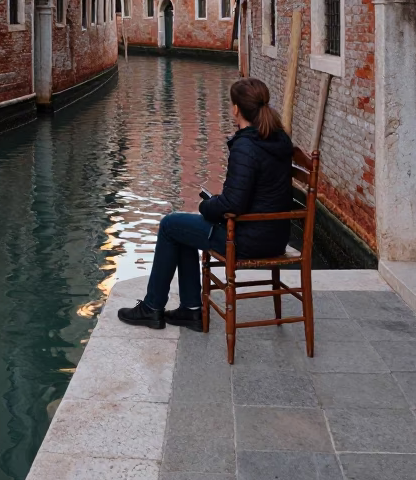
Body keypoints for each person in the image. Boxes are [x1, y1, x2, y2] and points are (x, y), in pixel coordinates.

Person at [118, 77, 293, 332]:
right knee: (182, 229)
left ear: (236, 109)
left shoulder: (246, 146)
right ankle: (190, 310)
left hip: (247, 238)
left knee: (169, 225)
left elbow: (234, 202)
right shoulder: (278, 139)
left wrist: (207, 206)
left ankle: (153, 307)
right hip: (274, 236)